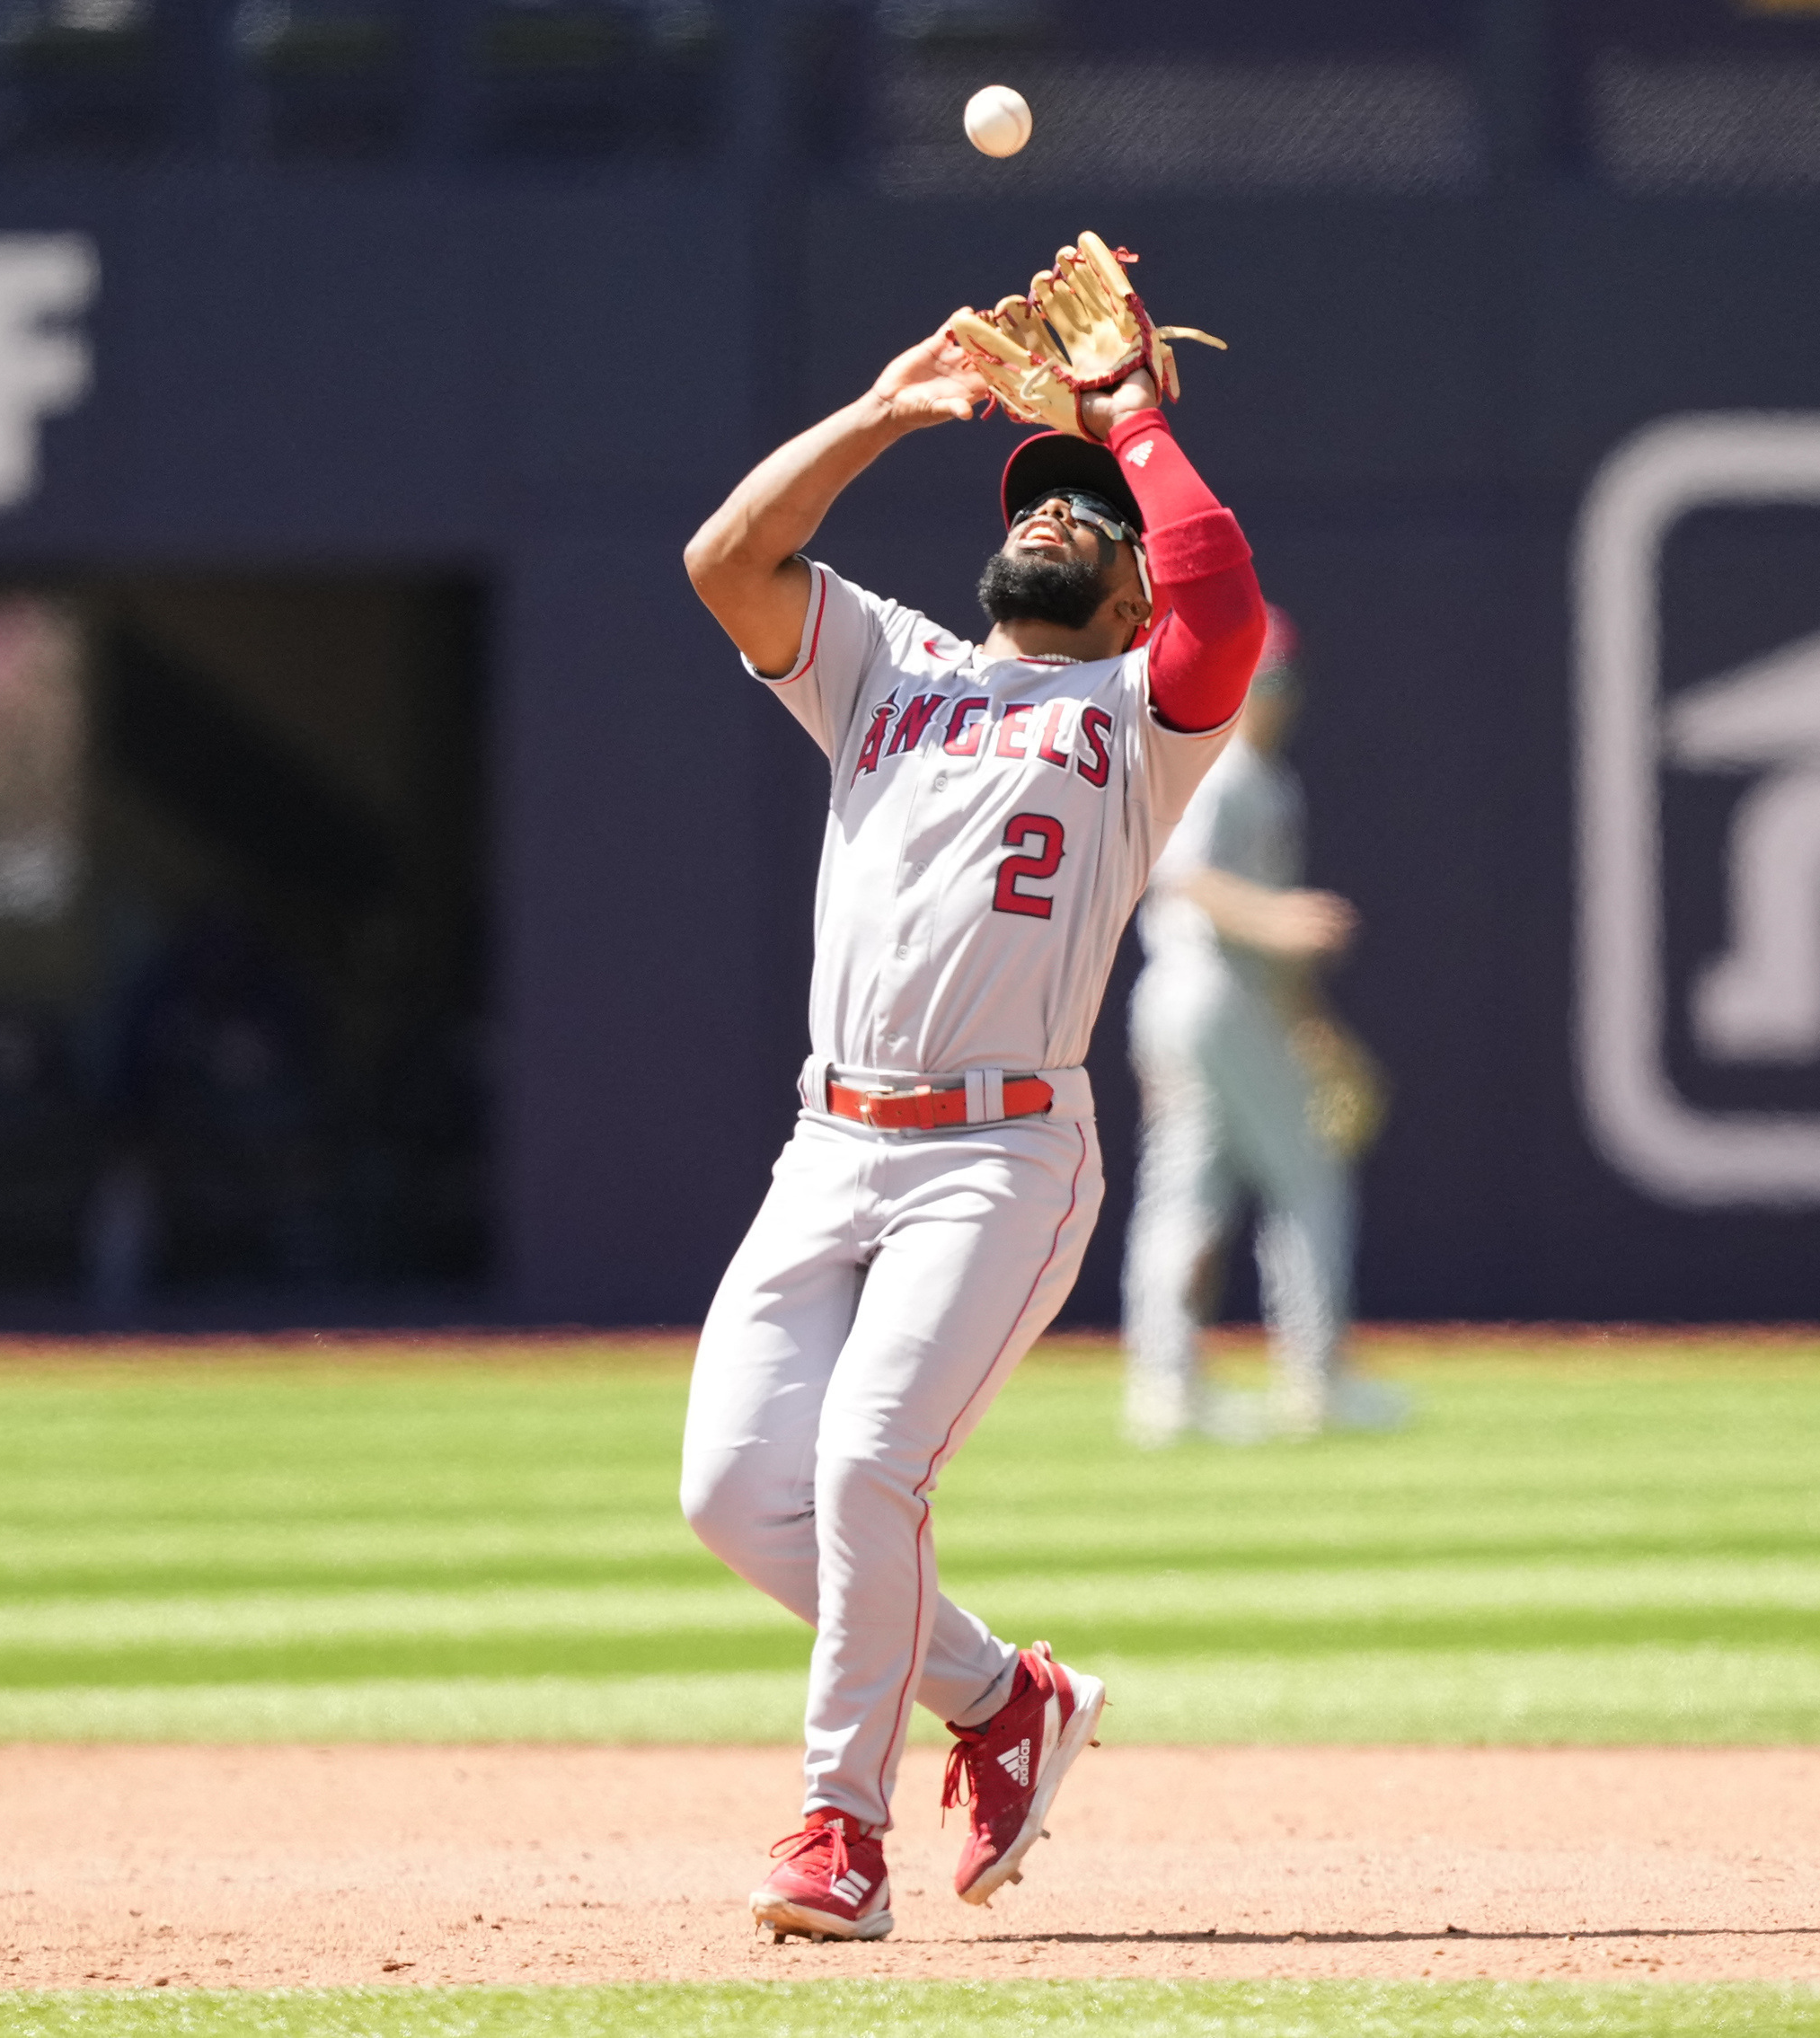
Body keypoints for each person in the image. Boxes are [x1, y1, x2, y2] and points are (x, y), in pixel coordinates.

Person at [676, 319, 1266, 1943]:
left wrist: (1132, 421)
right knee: (735, 1492)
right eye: (1037, 497)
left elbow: (1226, 602)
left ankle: (835, 1832)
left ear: (1130, 593)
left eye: (1093, 517)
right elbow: (728, 557)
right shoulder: (888, 661)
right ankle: (1005, 1698)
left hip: (999, 1157)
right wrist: (880, 408)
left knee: (867, 1458)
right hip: (830, 1141)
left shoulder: (1140, 715)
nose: (1056, 514)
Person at [1121, 613, 1403, 1446]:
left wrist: (1317, 1028)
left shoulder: (1252, 774)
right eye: (1261, 678)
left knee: (1189, 1194)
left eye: (1281, 679)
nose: (1274, 696)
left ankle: (1166, 1389)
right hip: (1208, 992)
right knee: (1307, 1176)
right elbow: (1179, 879)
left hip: (1207, 998)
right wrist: (1280, 919)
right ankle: (1315, 1379)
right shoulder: (1221, 768)